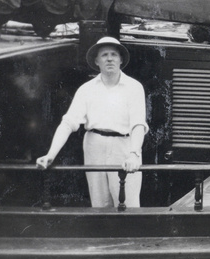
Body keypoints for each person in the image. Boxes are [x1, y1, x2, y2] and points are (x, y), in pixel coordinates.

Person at [36, 37, 148, 207]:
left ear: (121, 59)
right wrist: (51, 155)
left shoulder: (134, 87)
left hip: (124, 146)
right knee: (100, 203)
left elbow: (138, 124)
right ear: (97, 61)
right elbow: (68, 123)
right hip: (94, 146)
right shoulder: (86, 89)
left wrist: (134, 154)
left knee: (128, 204)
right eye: (104, 55)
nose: (109, 59)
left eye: (113, 55)